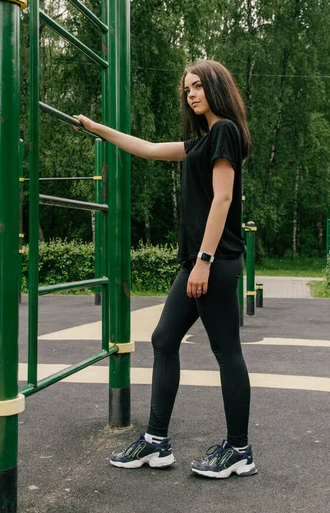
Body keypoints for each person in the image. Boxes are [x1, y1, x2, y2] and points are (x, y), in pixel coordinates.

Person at [75, 59, 256, 479]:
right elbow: (150, 149)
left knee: (226, 352)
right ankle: (156, 443)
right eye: (187, 89)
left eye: (198, 86)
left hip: (215, 262)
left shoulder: (225, 131)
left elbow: (223, 199)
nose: (191, 94)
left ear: (216, 87)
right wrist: (97, 129)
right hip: (200, 263)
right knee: (163, 339)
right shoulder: (203, 141)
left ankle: (239, 450)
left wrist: (204, 262)